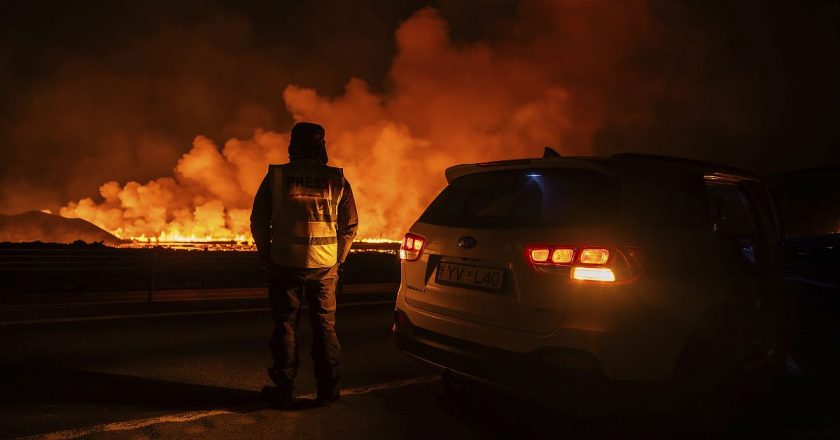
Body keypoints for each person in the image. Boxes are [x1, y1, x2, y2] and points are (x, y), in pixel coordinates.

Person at [250, 122, 358, 408]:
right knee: (325, 328)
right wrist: (338, 259)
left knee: (285, 326)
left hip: (284, 264)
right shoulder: (337, 179)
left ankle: (283, 388)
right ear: (321, 146)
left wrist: (266, 257)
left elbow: (258, 221)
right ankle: (328, 391)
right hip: (324, 267)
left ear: (292, 145)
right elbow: (350, 226)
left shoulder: (277, 176)